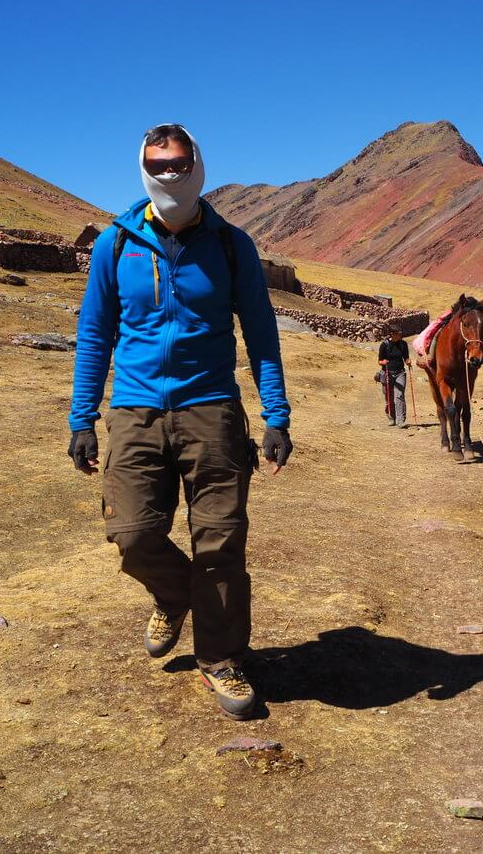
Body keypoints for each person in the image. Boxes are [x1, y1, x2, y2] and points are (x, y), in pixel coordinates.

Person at [66, 123, 293, 721]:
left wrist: (276, 415)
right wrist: (81, 417)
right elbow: (94, 335)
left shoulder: (230, 245)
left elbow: (262, 336)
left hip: (211, 411)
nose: (169, 174)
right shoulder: (115, 244)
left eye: (178, 163)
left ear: (197, 164)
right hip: (135, 411)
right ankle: (174, 592)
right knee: (134, 534)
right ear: (143, 167)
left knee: (220, 541)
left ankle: (220, 657)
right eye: (157, 165)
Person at [378, 326, 410, 427]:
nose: (400, 335)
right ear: (392, 334)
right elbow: (379, 361)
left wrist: (408, 361)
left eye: (400, 333)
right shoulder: (384, 345)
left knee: (399, 395)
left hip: (400, 372)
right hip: (387, 373)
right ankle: (391, 417)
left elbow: (406, 357)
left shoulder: (403, 344)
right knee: (389, 397)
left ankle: (401, 421)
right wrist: (383, 362)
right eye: (398, 333)